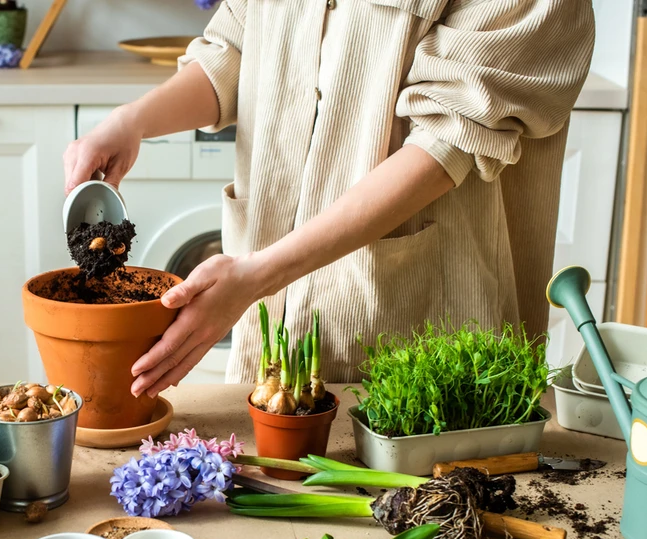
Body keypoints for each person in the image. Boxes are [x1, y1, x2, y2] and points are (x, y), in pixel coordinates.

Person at [64, 0, 595, 398]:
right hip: (267, 325)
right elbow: (236, 50)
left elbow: (449, 141)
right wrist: (131, 122)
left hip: (412, 326)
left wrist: (257, 274)